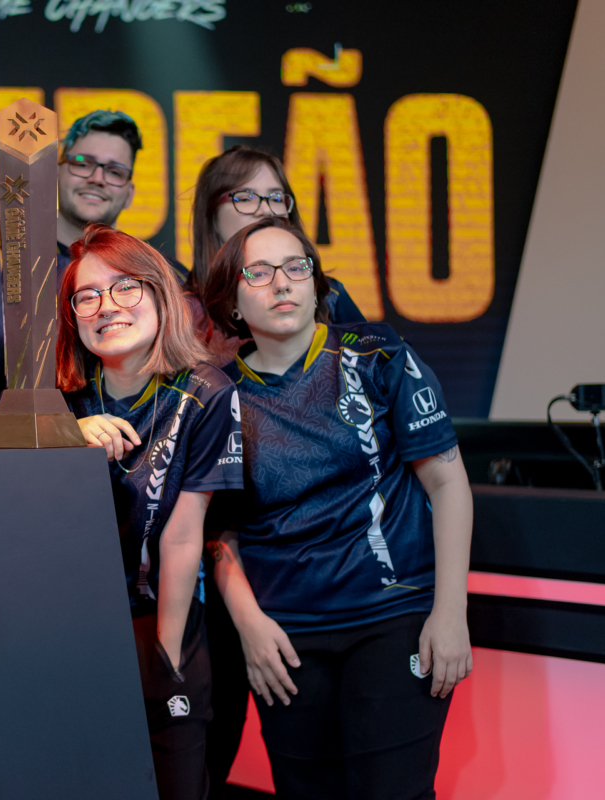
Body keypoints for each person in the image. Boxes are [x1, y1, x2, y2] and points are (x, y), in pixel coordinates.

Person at [201, 216, 472, 798]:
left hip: (392, 619)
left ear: (316, 283)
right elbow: (217, 532)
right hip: (285, 638)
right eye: (259, 272)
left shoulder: (378, 355)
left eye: (296, 267)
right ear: (232, 302)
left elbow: (448, 484)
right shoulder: (216, 395)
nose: (282, 283)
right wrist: (250, 626)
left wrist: (451, 613)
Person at [56, 224, 242, 800]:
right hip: (68, 631)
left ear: (160, 294)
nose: (107, 306)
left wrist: (166, 651)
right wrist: (64, 436)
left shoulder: (208, 392)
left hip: (163, 615)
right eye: (88, 296)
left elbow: (183, 537)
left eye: (126, 287)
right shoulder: (56, 400)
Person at [0, 109, 188, 414]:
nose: (97, 178)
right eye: (82, 163)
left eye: (115, 171)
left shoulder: (169, 280)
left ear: (130, 193)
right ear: (56, 172)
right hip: (11, 443)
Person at [186, 145, 365, 368]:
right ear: (211, 214)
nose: (266, 210)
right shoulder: (182, 311)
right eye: (246, 198)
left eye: (276, 198)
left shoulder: (330, 295)